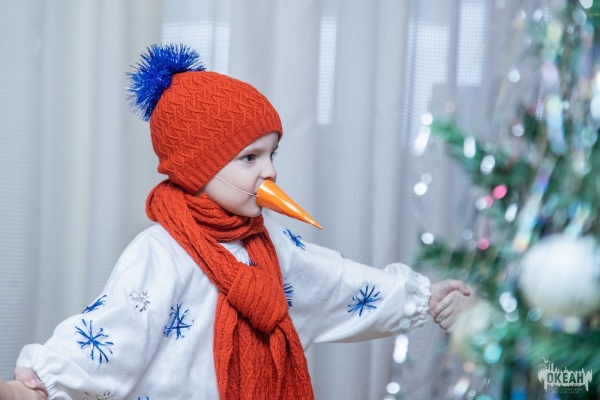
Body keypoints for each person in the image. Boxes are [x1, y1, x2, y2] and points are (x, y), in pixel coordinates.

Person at [0, 44, 471, 400]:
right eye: (250, 157)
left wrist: (424, 298)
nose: (271, 171)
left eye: (272, 154)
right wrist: (40, 384)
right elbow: (113, 327)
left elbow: (339, 283)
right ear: (197, 169)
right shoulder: (159, 253)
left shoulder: (275, 248)